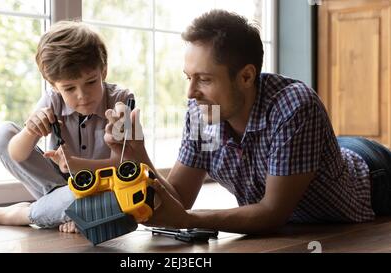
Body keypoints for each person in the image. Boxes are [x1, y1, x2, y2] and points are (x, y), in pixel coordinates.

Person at [104, 9, 391, 234]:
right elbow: (178, 199)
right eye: (188, 78)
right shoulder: (205, 113)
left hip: (372, 175)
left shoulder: (294, 105)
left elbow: (271, 213)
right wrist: (135, 154)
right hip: (315, 157)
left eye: (204, 79)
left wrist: (188, 219)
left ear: (246, 76)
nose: (191, 93)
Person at [0, 21, 133, 233]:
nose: (82, 95)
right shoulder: (52, 99)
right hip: (62, 187)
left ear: (104, 71)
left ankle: (19, 214)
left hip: (99, 188)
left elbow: (127, 164)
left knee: (118, 202)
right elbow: (16, 155)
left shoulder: (122, 102)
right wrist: (30, 131)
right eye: (69, 88)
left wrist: (77, 164)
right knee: (2, 135)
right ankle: (66, 209)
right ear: (54, 85)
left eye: (91, 82)